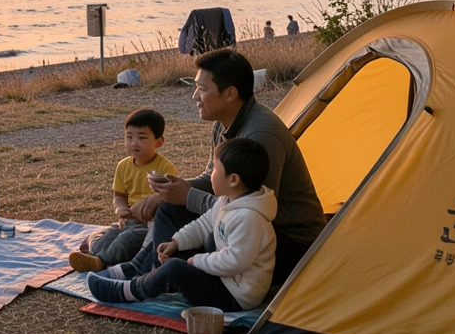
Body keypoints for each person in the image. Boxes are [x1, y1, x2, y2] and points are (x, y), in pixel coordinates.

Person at [100, 48, 325, 286]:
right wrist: (172, 191)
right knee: (169, 209)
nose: (195, 96)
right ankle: (147, 271)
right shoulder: (224, 122)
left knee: (211, 238)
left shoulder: (259, 135)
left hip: (291, 244)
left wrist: (188, 196)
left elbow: (248, 209)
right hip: (254, 229)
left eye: (202, 89)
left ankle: (153, 278)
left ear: (229, 93)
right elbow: (211, 178)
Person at [86, 138, 276, 312]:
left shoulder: (248, 217)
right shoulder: (227, 201)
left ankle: (130, 290)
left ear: (233, 179)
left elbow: (235, 261)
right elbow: (202, 225)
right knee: (179, 246)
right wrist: (176, 242)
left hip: (235, 296)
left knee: (175, 267)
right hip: (223, 279)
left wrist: (195, 262)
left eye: (216, 169)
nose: (212, 174)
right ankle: (132, 270)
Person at [69, 109, 177, 270]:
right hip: (126, 222)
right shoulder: (123, 166)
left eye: (142, 138)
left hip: (147, 225)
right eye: (129, 137)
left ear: (159, 142)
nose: (134, 143)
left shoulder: (164, 167)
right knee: (100, 236)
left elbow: (168, 198)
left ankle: (99, 261)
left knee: (128, 240)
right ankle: (101, 255)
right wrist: (120, 209)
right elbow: (119, 195)